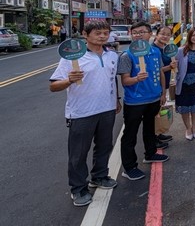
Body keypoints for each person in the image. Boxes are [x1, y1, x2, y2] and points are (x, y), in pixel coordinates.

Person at [49, 20, 120, 207]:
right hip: (81, 113)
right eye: (98, 33)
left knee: (104, 146)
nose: (103, 36)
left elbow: (112, 80)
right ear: (85, 34)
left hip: (107, 109)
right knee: (78, 154)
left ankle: (99, 176)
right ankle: (78, 188)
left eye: (106, 33)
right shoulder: (72, 58)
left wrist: (117, 100)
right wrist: (69, 81)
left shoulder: (112, 55)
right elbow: (53, 86)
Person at [118, 21, 168, 181]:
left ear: (150, 34)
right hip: (135, 102)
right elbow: (125, 81)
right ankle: (129, 167)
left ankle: (150, 153)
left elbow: (160, 72)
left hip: (154, 98)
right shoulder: (127, 55)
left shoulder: (155, 52)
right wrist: (136, 79)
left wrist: (162, 92)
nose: (139, 35)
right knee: (130, 134)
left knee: (149, 128)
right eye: (135, 32)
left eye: (142, 32)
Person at [173, 27, 195, 140]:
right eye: (193, 35)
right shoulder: (181, 50)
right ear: (189, 36)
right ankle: (188, 128)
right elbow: (174, 65)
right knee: (184, 107)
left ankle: (194, 128)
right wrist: (174, 66)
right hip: (183, 84)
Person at [152, 25, 176, 145]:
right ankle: (153, 138)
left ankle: (158, 133)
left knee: (160, 109)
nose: (165, 36)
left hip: (164, 83)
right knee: (155, 111)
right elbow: (156, 70)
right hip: (156, 85)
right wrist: (169, 67)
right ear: (156, 35)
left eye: (168, 34)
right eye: (162, 34)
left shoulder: (166, 49)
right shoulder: (152, 49)